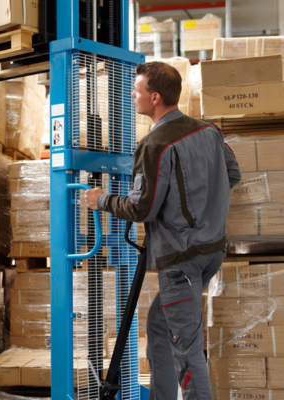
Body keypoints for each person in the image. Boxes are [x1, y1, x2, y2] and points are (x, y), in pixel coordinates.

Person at [84, 62, 241, 400]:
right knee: (159, 325)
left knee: (187, 350)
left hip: (182, 260)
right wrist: (202, 214)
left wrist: (101, 200)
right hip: (210, 251)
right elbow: (232, 174)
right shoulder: (208, 130)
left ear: (155, 97)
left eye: (137, 89)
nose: (132, 94)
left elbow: (143, 209)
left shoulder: (154, 144)